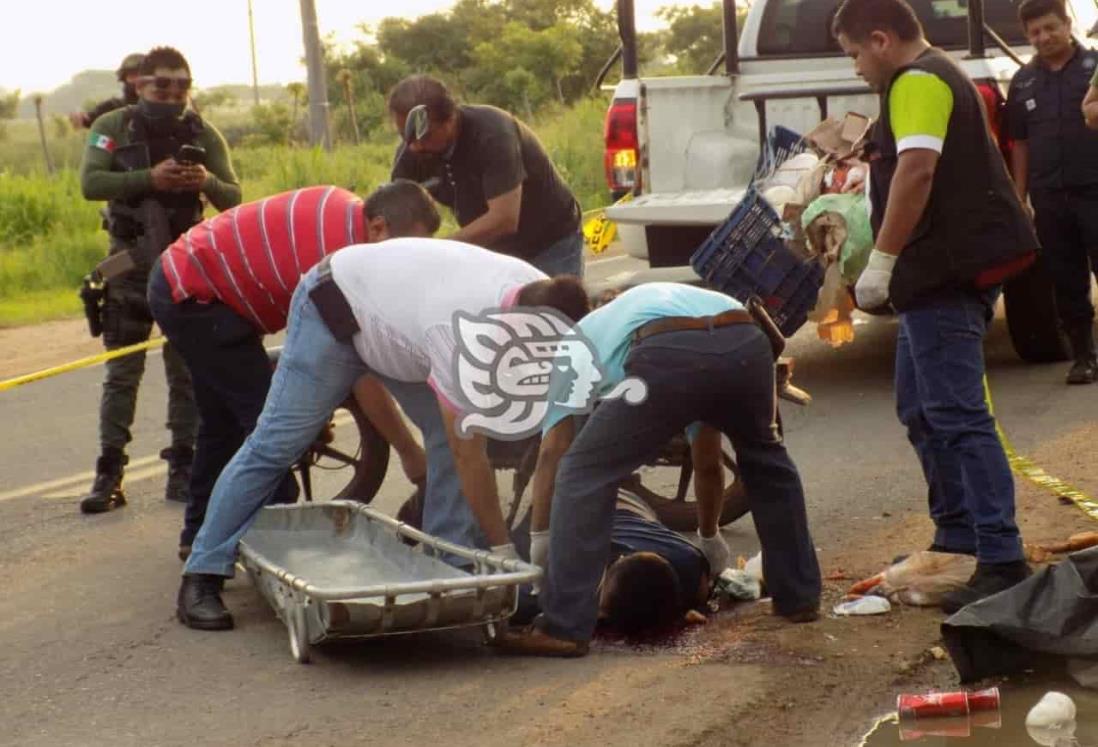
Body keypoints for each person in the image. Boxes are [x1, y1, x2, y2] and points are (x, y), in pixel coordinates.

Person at [175, 238, 589, 630]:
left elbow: (554, 432)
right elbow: (470, 456)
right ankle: (203, 571)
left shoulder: (548, 294)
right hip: (335, 306)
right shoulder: (460, 334)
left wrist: (537, 541)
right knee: (276, 445)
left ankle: (452, 566)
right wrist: (505, 557)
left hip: (396, 324)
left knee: (447, 437)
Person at [832, 0, 1037, 613]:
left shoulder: (917, 80)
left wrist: (883, 260)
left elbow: (917, 171)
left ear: (879, 40)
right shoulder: (934, 74)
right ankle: (957, 535)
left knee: (956, 413)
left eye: (853, 55)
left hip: (943, 271)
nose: (855, 70)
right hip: (937, 271)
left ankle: (1002, 558)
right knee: (921, 407)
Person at [501, 283, 822, 657]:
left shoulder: (574, 344)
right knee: (767, 462)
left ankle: (564, 625)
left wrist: (541, 540)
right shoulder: (644, 305)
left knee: (583, 471)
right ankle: (798, 596)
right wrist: (708, 534)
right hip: (746, 340)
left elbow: (553, 453)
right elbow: (706, 459)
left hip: (668, 350)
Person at [148, 181, 438, 561]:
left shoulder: (342, 206)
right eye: (401, 250)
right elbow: (358, 371)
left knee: (221, 426)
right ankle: (273, 554)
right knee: (273, 443)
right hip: (197, 297)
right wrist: (410, 452)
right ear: (379, 227)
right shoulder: (340, 262)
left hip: (182, 278)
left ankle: (197, 533)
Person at [78, 46, 240, 514]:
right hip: (128, 268)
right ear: (137, 84)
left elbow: (233, 197)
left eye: (181, 86)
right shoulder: (112, 127)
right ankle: (109, 473)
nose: (172, 94)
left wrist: (203, 180)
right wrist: (151, 178)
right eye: (161, 85)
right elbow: (91, 184)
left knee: (185, 373)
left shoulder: (203, 133)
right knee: (122, 373)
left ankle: (183, 467)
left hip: (185, 271)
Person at [388, 74, 584, 278]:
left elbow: (504, 219)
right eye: (405, 137)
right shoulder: (412, 151)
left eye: (425, 136)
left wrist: (439, 251)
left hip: (551, 241)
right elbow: (396, 214)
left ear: (451, 118)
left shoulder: (492, 133)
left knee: (553, 309)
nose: (415, 146)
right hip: (495, 252)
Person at [1010, 0, 1098, 384]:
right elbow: (1020, 143)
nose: (1043, 37)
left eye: (1050, 28)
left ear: (1067, 24)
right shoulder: (1023, 81)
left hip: (1095, 189)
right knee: (1065, 280)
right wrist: (1020, 196)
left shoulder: (1095, 69)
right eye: (1034, 32)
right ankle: (1084, 357)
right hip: (1050, 196)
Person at [69, 53, 144, 130]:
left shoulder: (156, 107)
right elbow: (89, 119)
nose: (137, 80)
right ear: (124, 79)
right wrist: (81, 117)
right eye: (133, 76)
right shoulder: (113, 107)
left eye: (141, 75)